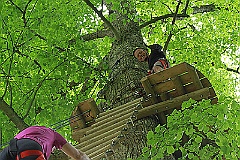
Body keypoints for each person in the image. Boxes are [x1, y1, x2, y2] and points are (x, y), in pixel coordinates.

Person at [0, 126, 91, 160]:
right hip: (31, 147)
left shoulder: (29, 130)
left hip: (11, 148)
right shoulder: (53, 134)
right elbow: (79, 155)